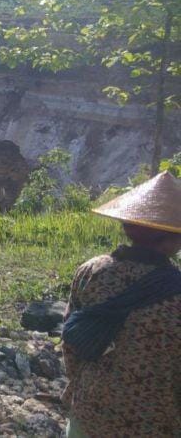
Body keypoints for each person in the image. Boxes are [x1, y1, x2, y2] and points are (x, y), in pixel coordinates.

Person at [61, 171, 181, 437]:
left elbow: (71, 341)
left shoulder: (92, 271)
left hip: (90, 411)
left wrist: (82, 387)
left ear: (128, 227)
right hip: (153, 421)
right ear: (170, 241)